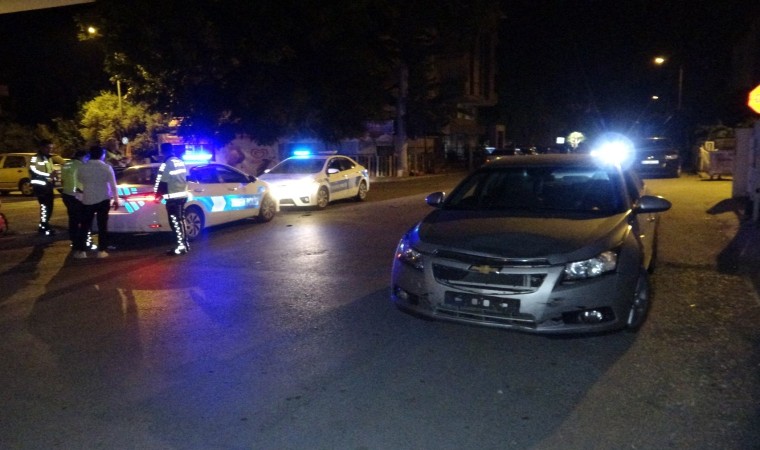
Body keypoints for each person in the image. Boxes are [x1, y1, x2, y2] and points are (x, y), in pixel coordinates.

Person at [73, 146, 118, 259]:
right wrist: (116, 199)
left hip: (88, 199)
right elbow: (113, 185)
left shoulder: (82, 168)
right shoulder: (106, 167)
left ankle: (81, 251)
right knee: (102, 226)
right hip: (103, 198)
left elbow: (79, 180)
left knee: (85, 226)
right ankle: (102, 250)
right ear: (102, 155)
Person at [154, 143, 189, 255]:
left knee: (175, 222)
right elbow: (187, 177)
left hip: (173, 197)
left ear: (162, 151)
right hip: (182, 195)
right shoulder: (180, 162)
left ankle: (180, 247)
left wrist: (157, 194)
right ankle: (184, 245)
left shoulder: (167, 164)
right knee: (180, 220)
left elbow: (163, 182)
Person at [59, 150, 93, 248]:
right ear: (83, 157)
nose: (87, 160)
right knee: (85, 219)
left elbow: (62, 180)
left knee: (73, 219)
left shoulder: (66, 164)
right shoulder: (82, 166)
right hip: (78, 195)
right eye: (87, 158)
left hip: (67, 194)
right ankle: (85, 242)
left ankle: (74, 241)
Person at [29, 139, 57, 235]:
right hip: (40, 186)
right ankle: (44, 226)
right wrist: (48, 175)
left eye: (51, 148)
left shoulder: (49, 158)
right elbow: (33, 170)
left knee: (50, 206)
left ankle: (45, 224)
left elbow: (50, 170)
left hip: (48, 186)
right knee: (45, 206)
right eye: (48, 148)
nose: (50, 150)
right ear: (42, 147)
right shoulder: (35, 158)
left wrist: (54, 176)